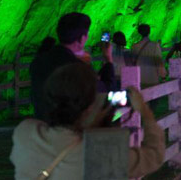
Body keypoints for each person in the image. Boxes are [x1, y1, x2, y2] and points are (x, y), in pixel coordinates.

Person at [10, 63, 165, 179]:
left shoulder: (24, 132)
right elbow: (154, 156)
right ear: (90, 106)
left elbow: (63, 135)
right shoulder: (100, 153)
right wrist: (145, 113)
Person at [30, 12, 115, 122]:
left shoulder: (39, 61)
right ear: (81, 39)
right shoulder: (77, 68)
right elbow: (105, 91)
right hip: (65, 129)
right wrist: (108, 59)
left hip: (42, 123)